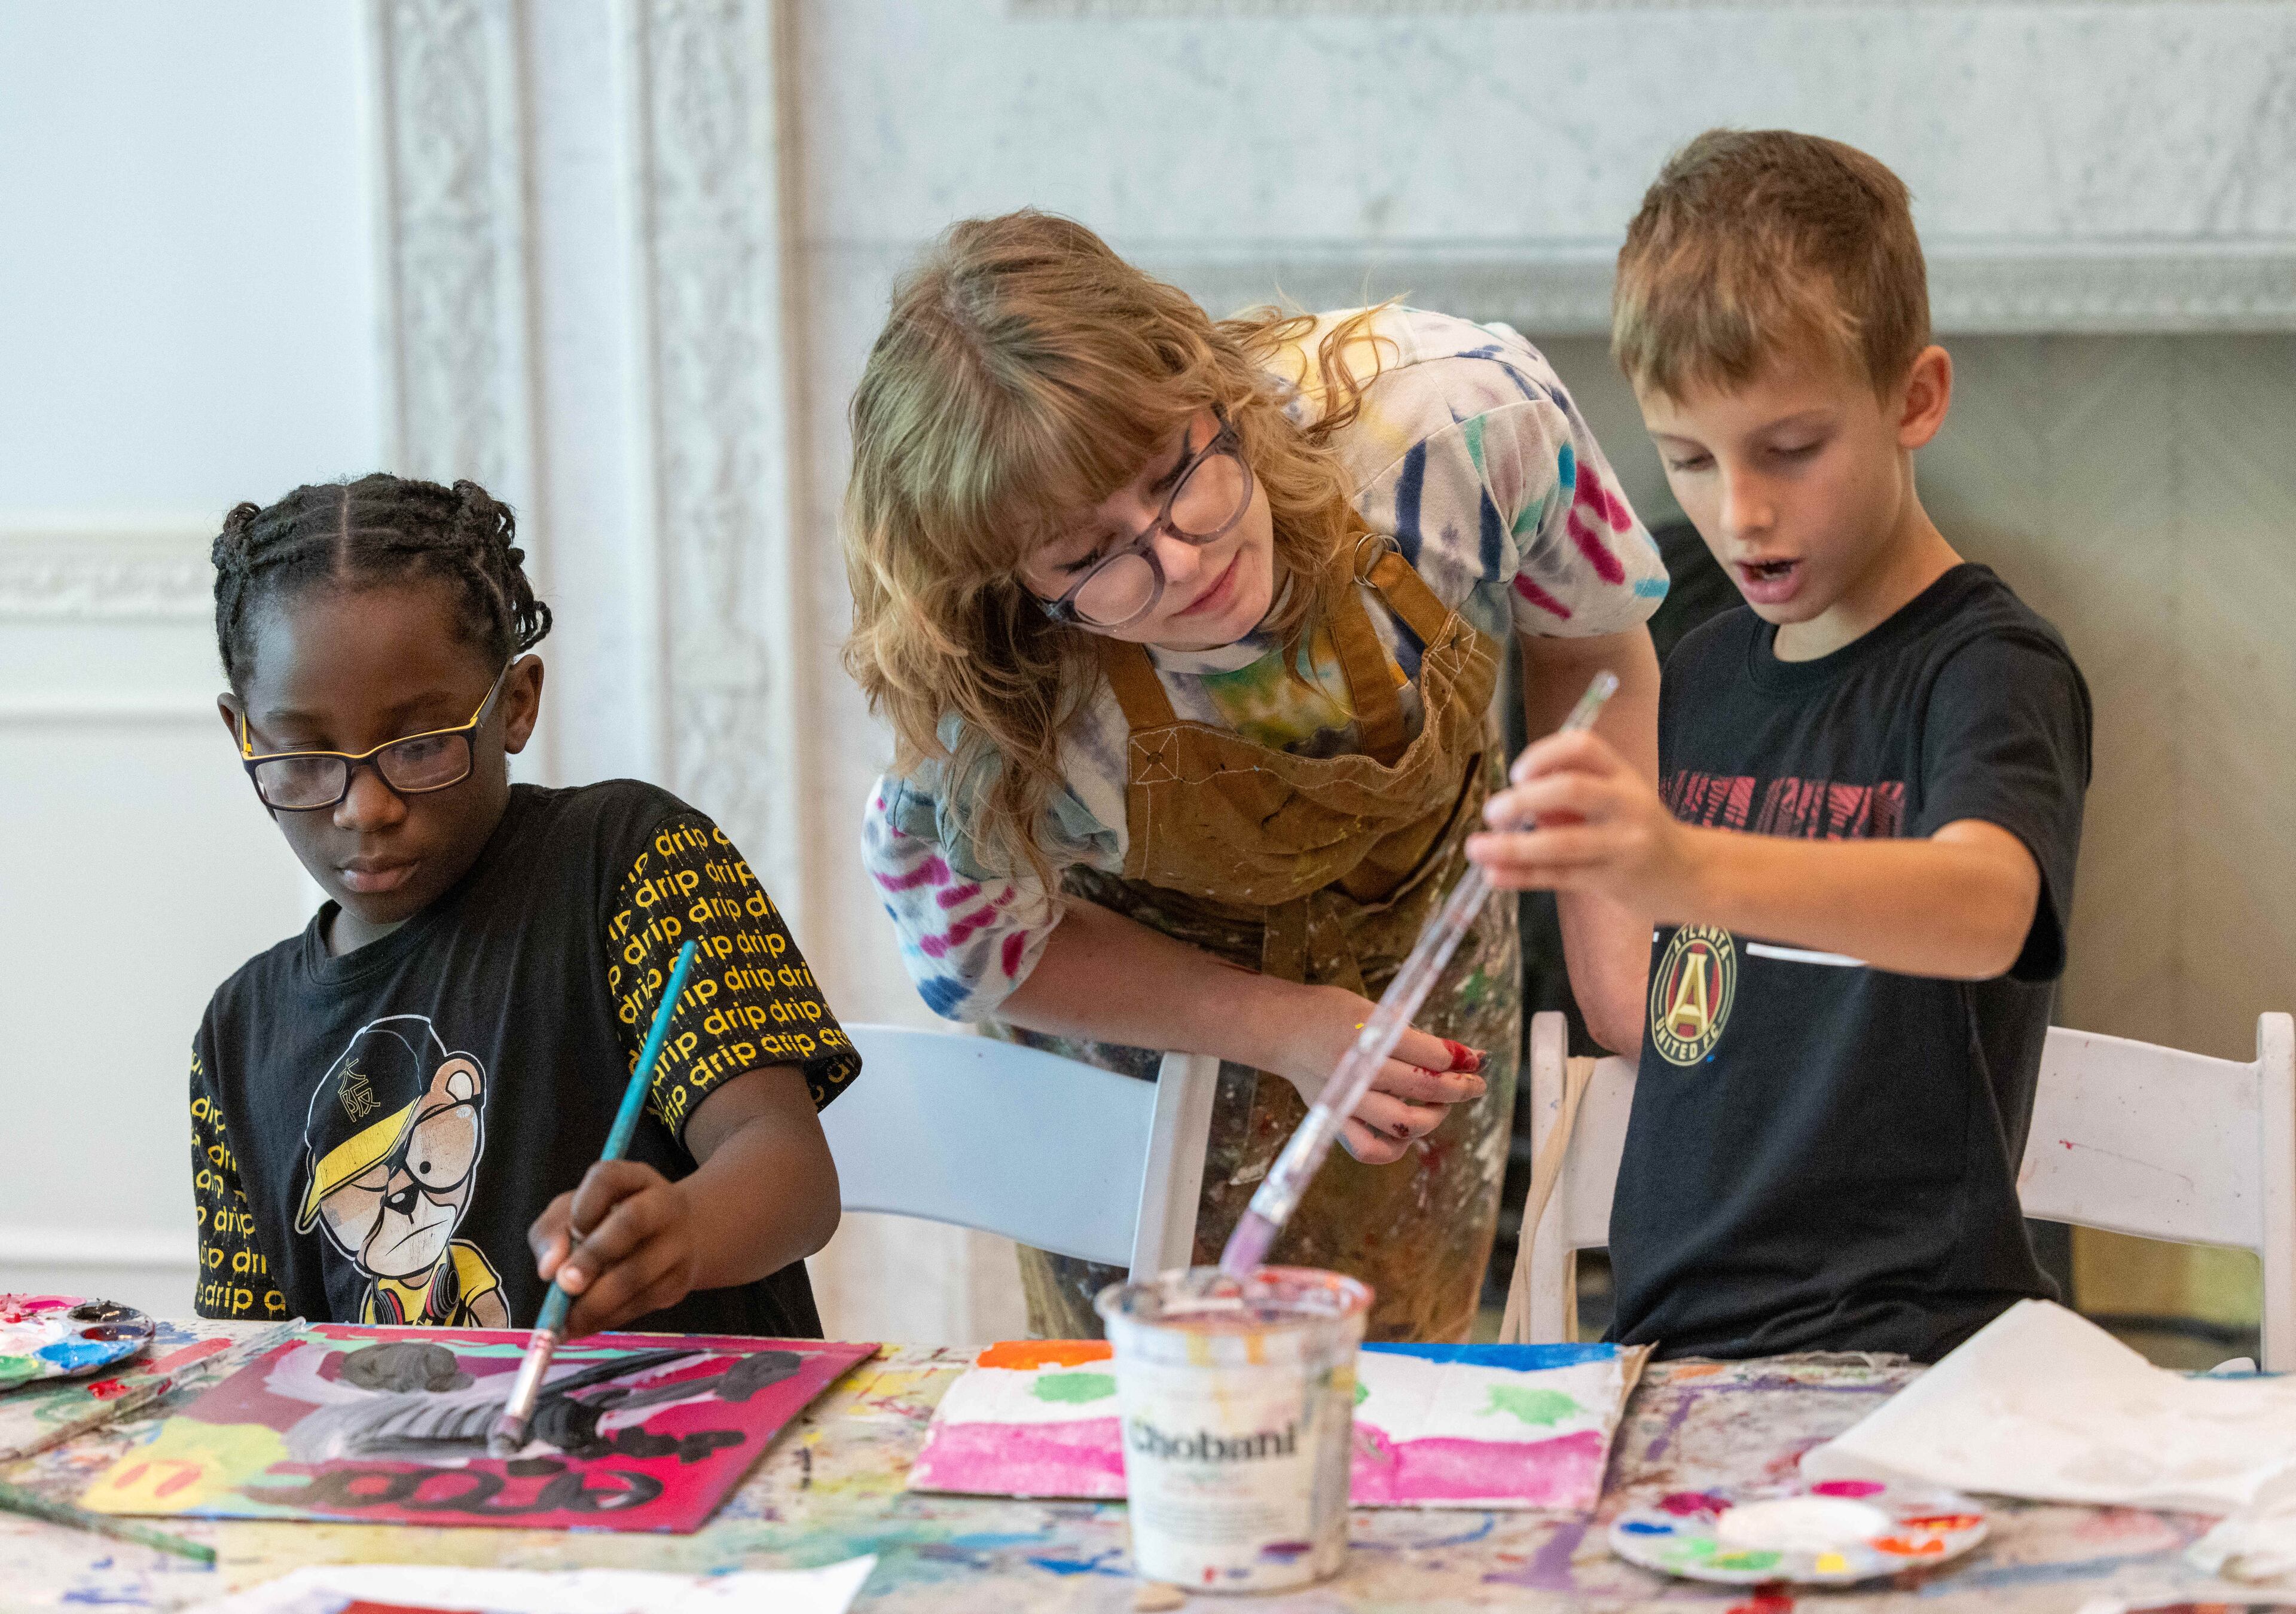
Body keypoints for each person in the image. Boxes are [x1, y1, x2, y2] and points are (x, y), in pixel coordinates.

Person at [845, 211, 1667, 1342]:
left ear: (1210, 386)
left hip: (1421, 961)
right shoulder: (1000, 707)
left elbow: (1595, 644)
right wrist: (1273, 1023)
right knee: (1160, 1434)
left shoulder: (1463, 425)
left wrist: (1620, 994)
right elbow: (984, 954)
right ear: (1005, 584)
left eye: (1174, 473)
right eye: (1089, 558)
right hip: (1144, 1057)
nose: (1179, 559)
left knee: (1397, 1408)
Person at [1470, 130, 2093, 1361]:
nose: (1738, 511)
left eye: (1790, 451)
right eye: (1689, 459)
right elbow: (1654, 1017)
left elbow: (1989, 908)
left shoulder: (1986, 667)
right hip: (1674, 1341)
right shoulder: (1695, 673)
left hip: (1912, 1347)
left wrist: (1690, 865)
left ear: (1914, 398)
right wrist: (1591, 848)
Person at [190, 474, 858, 1338]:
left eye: (422, 746)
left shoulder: (630, 863)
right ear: (243, 734)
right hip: (412, 1469)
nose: (365, 808)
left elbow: (793, 1177)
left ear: (515, 704)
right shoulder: (239, 1035)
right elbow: (260, 1361)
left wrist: (685, 1231)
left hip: (690, 1456)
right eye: (306, 758)